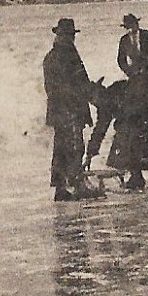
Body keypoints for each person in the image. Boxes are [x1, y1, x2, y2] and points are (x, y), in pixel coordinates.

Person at [87, 75, 148, 191]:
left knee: (126, 137)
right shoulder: (110, 97)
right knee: (126, 134)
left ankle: (136, 176)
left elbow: (103, 126)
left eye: (93, 100)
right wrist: (91, 152)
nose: (94, 104)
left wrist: (91, 152)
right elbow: (100, 129)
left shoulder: (113, 96)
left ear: (99, 93)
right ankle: (136, 176)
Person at [44, 18, 98, 202]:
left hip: (61, 111)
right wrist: (88, 93)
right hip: (69, 110)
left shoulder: (55, 56)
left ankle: (62, 187)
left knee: (61, 148)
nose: (71, 39)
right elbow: (69, 85)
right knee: (74, 147)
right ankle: (75, 184)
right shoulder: (64, 56)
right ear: (62, 36)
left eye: (71, 35)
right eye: (68, 35)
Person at [116, 13, 148, 101]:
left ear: (137, 24)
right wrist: (129, 71)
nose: (130, 29)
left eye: (132, 25)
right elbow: (121, 59)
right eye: (127, 27)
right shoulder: (124, 40)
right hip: (135, 76)